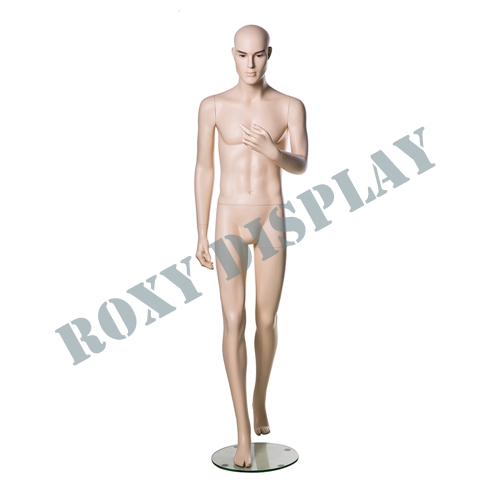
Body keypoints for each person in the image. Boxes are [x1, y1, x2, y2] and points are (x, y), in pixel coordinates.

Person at [194, 24, 308, 467]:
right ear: (233, 55)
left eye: (258, 55)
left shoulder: (289, 106)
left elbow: (301, 163)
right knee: (232, 320)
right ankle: (242, 429)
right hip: (228, 219)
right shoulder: (213, 106)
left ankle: (260, 396)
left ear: (269, 54)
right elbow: (204, 168)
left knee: (266, 319)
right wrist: (200, 231)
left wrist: (273, 151)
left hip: (271, 219)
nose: (250, 64)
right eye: (243, 55)